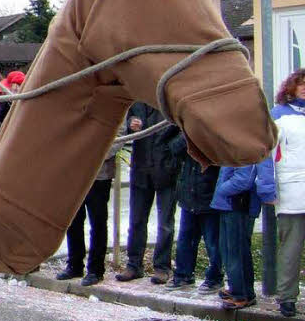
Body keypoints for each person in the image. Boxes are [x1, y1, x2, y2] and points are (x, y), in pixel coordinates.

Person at [116, 102, 185, 284]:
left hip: (166, 169)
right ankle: (133, 264)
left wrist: (172, 150)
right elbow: (128, 124)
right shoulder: (138, 100)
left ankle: (162, 267)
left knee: (165, 224)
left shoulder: (171, 100)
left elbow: (186, 130)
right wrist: (132, 124)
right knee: (136, 220)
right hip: (141, 168)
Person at [266, 69, 305, 317]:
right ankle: (287, 297)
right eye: (301, 84)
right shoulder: (278, 115)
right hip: (292, 193)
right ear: (290, 87)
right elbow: (265, 153)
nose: (304, 88)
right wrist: (268, 186)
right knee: (290, 248)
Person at [211, 160, 275, 311]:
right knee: (230, 249)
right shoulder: (239, 143)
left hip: (238, 203)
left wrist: (221, 189)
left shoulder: (247, 144)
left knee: (236, 252)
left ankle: (242, 294)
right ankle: (239, 289)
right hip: (230, 203)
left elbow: (243, 180)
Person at [167, 153, 223, 293]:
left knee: (212, 242)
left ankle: (214, 278)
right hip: (188, 194)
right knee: (185, 239)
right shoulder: (186, 134)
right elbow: (174, 149)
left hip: (209, 196)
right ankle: (183, 274)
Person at [57, 153, 114, 286]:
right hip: (74, 172)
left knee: (98, 223)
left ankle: (96, 270)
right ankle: (74, 265)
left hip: (99, 174)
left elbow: (119, 135)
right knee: (73, 220)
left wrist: (95, 151)